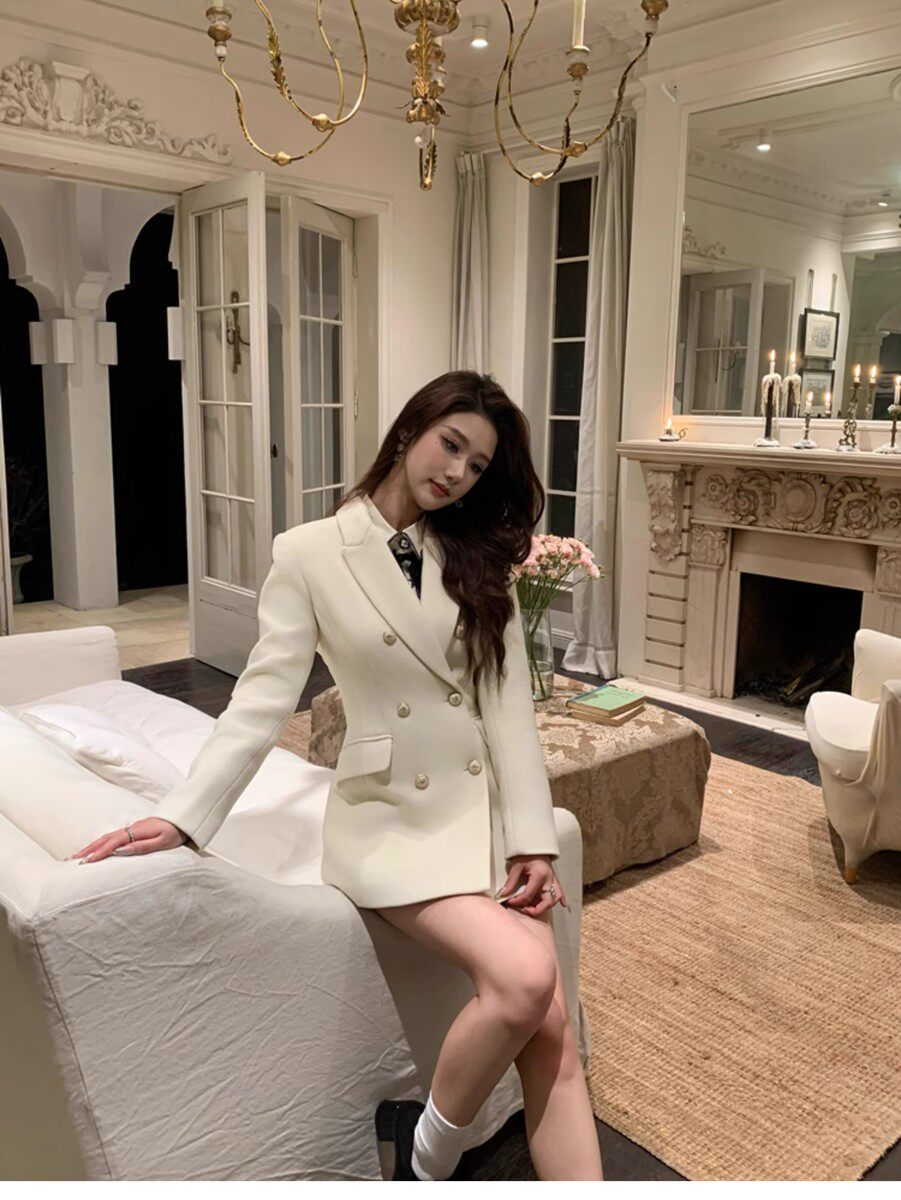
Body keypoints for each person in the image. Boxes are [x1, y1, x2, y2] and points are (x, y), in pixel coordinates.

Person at [68, 371, 603, 1182]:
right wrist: (183, 815)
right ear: (407, 431)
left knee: (552, 1036)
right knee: (528, 979)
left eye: (476, 465)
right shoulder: (308, 553)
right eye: (449, 445)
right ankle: (426, 1155)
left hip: (487, 819)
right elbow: (260, 700)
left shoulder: (472, 555)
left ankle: (435, 1156)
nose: (457, 472)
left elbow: (505, 711)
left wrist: (531, 838)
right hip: (389, 823)